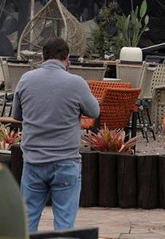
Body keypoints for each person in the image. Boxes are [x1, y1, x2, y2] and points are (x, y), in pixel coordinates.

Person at [11, 37, 100, 232]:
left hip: (34, 160)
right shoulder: (76, 83)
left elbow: (16, 116)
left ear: (42, 57)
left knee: (27, 222)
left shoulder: (26, 79)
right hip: (66, 161)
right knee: (65, 226)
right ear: (67, 59)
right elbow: (95, 111)